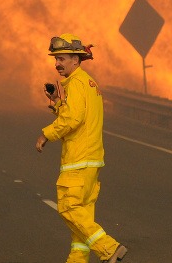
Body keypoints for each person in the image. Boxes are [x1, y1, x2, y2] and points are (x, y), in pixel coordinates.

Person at [35, 33, 127, 263]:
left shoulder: (76, 83)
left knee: (68, 208)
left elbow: (72, 120)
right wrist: (57, 103)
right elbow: (77, 115)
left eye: (62, 59)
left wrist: (47, 134)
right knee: (81, 222)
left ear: (76, 60)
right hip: (91, 161)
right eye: (55, 59)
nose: (57, 63)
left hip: (78, 160)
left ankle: (109, 249)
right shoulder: (88, 83)